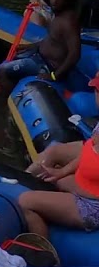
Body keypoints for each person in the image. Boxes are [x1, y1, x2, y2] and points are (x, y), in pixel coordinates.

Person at [19, 76, 99, 250]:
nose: (96, 96)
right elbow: (88, 154)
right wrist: (61, 174)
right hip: (89, 186)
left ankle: (45, 255)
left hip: (94, 205)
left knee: (25, 202)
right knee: (51, 175)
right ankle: (18, 181)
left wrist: (73, 185)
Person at [0, 0, 84, 95]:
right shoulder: (57, 16)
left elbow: (75, 54)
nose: (54, 1)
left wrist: (54, 76)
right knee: (6, 61)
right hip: (40, 56)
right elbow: (53, 41)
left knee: (3, 70)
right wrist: (31, 47)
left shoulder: (68, 22)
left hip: (47, 65)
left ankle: (4, 103)